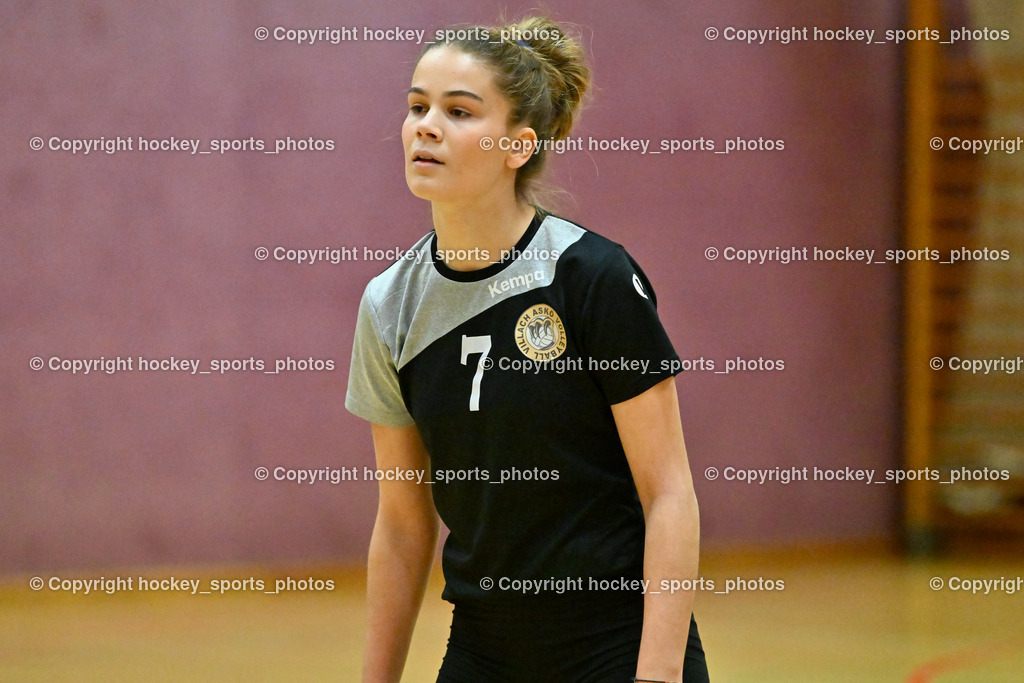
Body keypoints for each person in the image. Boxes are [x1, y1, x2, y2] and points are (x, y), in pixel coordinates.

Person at [346, 16, 709, 682]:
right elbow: (402, 523)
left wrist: (656, 674)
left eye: (458, 111)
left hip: (614, 644)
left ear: (518, 144)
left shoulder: (592, 277)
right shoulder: (389, 305)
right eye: (417, 106)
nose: (425, 125)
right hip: (486, 647)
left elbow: (670, 493)